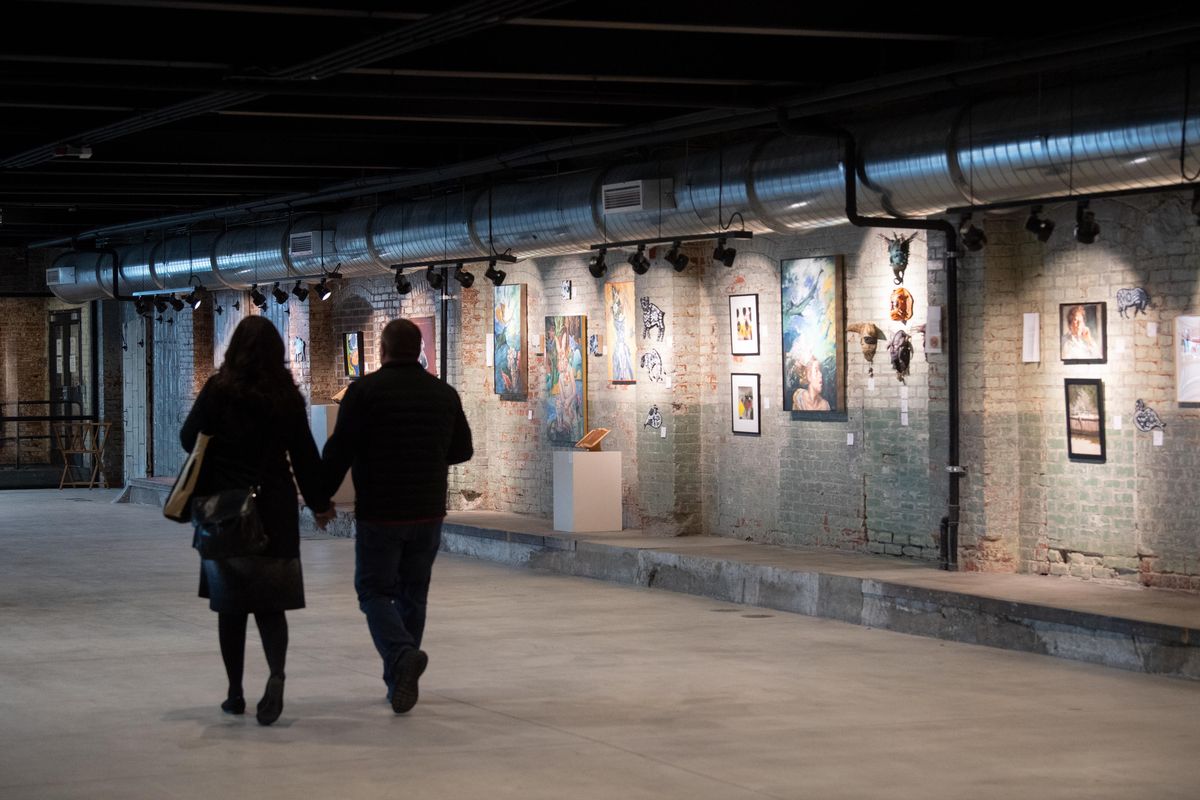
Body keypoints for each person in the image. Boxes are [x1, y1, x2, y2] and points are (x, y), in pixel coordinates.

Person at [180, 315, 333, 726]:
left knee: (230, 608)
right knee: (271, 606)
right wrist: (320, 503)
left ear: (234, 350)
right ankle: (277, 674)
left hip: (226, 510)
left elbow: (186, 437)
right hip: (274, 509)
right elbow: (304, 455)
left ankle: (234, 693)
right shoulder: (286, 395)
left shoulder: (218, 391)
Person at [321, 318, 473, 714]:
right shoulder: (443, 393)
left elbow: (340, 450)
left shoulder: (365, 393)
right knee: (413, 595)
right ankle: (397, 681)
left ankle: (402, 656)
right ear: (418, 349)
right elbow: (463, 450)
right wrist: (428, 457)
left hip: (381, 512)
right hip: (427, 511)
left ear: (382, 351)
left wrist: (320, 497)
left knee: (373, 591)